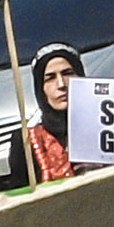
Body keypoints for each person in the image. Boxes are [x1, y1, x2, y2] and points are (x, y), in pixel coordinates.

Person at [22, 46, 82, 183]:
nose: (61, 84)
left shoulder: (108, 126)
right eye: (50, 78)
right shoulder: (26, 143)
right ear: (40, 89)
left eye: (67, 73)